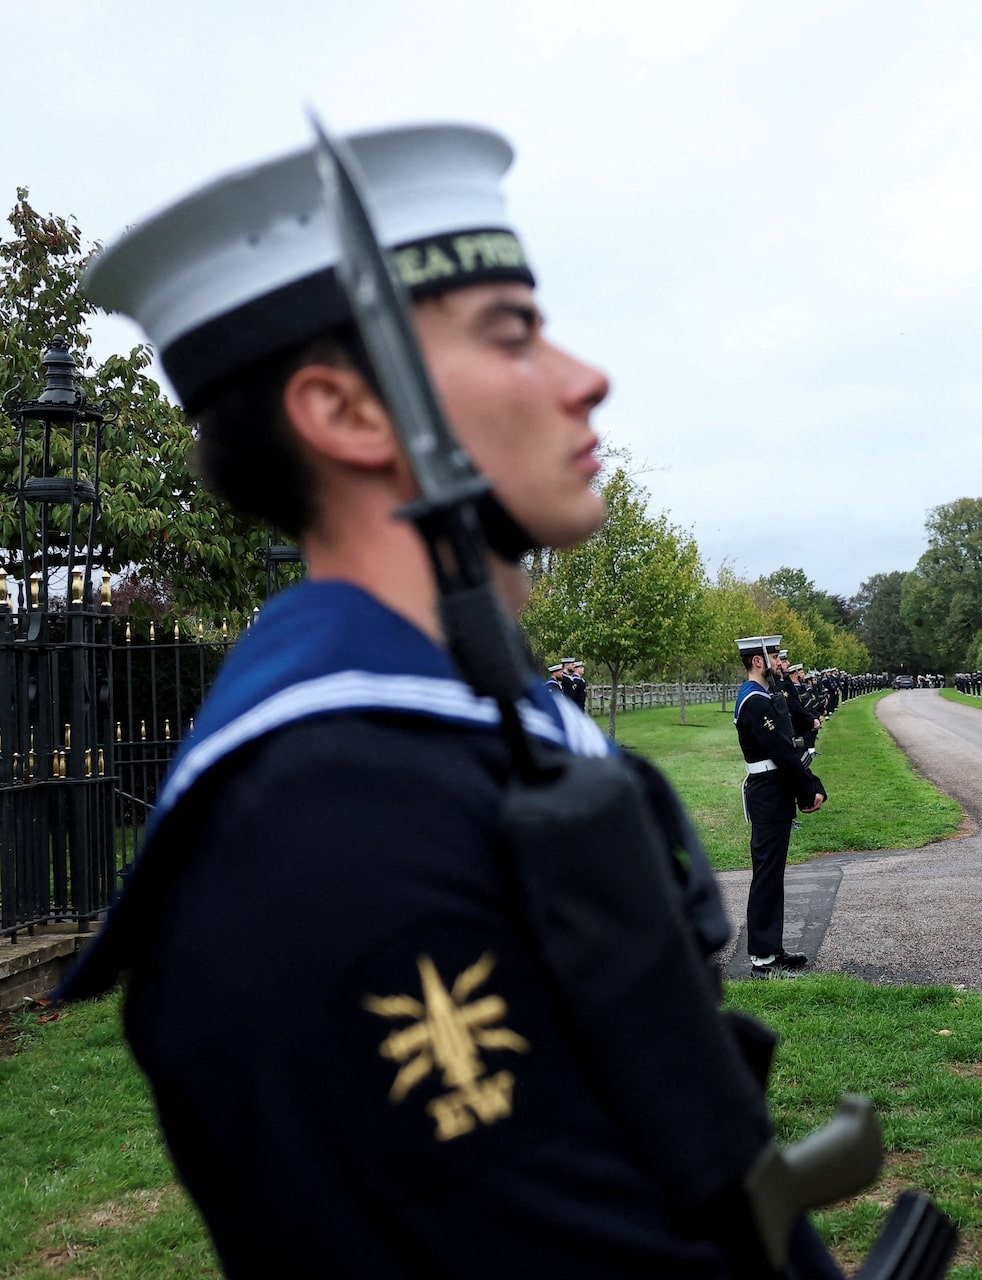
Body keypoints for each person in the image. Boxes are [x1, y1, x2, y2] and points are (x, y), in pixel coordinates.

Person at [57, 124, 849, 1278]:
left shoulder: (455, 737)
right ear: (350, 412)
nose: (587, 378)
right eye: (512, 335)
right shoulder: (327, 834)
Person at [735, 636, 828, 962]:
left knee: (772, 874)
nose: (779, 664)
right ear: (758, 661)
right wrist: (809, 787)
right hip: (767, 792)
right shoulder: (755, 701)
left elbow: (785, 750)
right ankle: (762, 955)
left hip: (773, 789)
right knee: (767, 874)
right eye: (773, 657)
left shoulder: (761, 696)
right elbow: (782, 753)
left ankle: (771, 948)